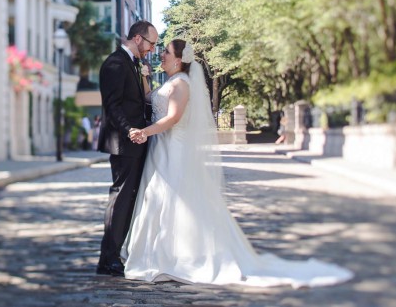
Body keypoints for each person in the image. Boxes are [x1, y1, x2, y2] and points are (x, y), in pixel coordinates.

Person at [124, 39, 353, 287]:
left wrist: (145, 132)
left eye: (166, 52)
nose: (162, 55)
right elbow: (150, 99)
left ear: (179, 60)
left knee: (177, 198)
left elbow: (173, 118)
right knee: (158, 197)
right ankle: (158, 252)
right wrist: (144, 75)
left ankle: (177, 256)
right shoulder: (169, 82)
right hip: (161, 148)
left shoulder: (181, 83)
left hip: (174, 148)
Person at [96, 20, 158, 277]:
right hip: (124, 144)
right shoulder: (114, 63)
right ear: (138, 38)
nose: (152, 50)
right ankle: (107, 259)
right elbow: (112, 106)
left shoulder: (133, 63)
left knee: (129, 199)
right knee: (120, 200)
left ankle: (116, 254)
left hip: (137, 142)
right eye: (151, 43)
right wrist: (129, 131)